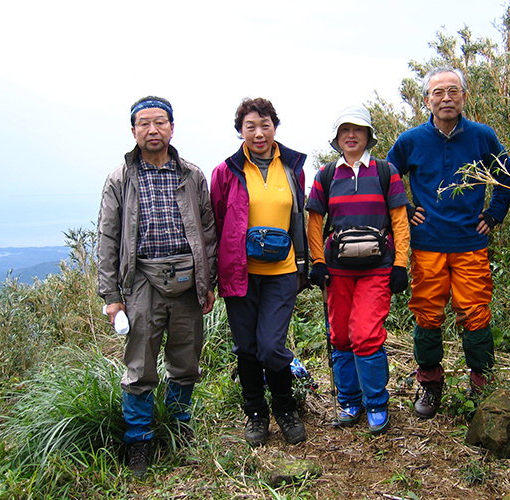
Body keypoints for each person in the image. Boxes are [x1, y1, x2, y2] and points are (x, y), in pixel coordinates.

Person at [97, 96, 218, 476]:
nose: (153, 130)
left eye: (160, 122)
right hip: (141, 283)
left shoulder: (191, 175)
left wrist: (207, 282)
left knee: (186, 361)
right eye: (144, 124)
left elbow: (209, 231)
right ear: (133, 131)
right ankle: (139, 440)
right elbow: (107, 237)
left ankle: (179, 428)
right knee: (139, 365)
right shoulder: (121, 178)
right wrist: (112, 297)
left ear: (171, 127)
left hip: (186, 282)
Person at [386, 66, 510, 419]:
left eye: (453, 91)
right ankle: (430, 383)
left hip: (470, 241)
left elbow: (505, 172)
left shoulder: (482, 136)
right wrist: (406, 208)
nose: (446, 98)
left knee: (475, 312)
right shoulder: (411, 140)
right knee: (427, 313)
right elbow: (388, 174)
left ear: (463, 96)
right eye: (438, 92)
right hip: (427, 243)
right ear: (426, 99)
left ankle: (481, 384)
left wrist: (495, 213)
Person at [210, 98, 308, 447]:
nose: (258, 132)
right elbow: (216, 224)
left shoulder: (293, 166)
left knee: (270, 345)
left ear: (275, 127)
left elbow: (301, 216)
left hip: (282, 270)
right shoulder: (226, 171)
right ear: (240, 131)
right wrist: (210, 276)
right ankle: (256, 413)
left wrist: (305, 265)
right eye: (250, 126)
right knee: (247, 346)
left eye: (265, 124)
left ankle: (285, 407)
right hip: (240, 272)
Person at [306, 105, 410, 434]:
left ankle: (376, 403)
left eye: (359, 130)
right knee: (339, 336)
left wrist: (400, 265)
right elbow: (315, 223)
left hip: (377, 269)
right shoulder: (325, 175)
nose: (352, 135)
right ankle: (350, 401)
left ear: (368, 137)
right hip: (337, 270)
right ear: (337, 139)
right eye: (345, 131)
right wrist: (318, 263)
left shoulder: (385, 171)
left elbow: (399, 221)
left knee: (365, 335)